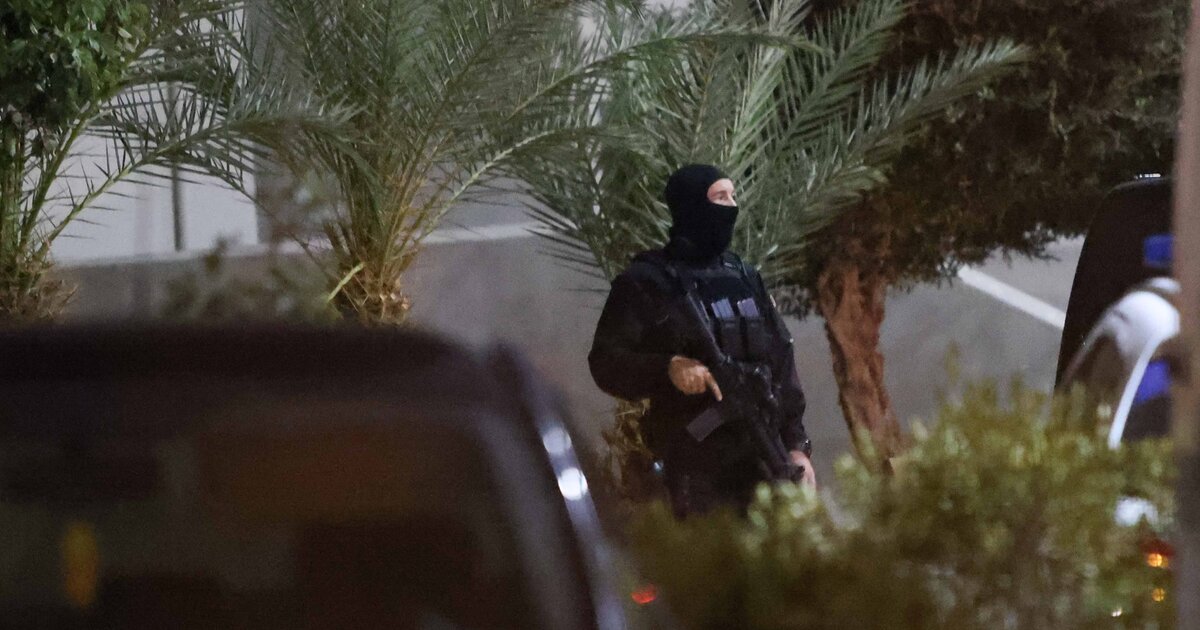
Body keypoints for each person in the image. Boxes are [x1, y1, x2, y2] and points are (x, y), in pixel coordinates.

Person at [589, 164, 814, 517]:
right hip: (694, 471)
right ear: (691, 205)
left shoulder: (744, 276)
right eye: (720, 197)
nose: (731, 206)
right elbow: (606, 362)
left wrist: (796, 446)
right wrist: (668, 369)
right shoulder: (646, 282)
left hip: (763, 458)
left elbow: (781, 362)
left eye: (733, 196)